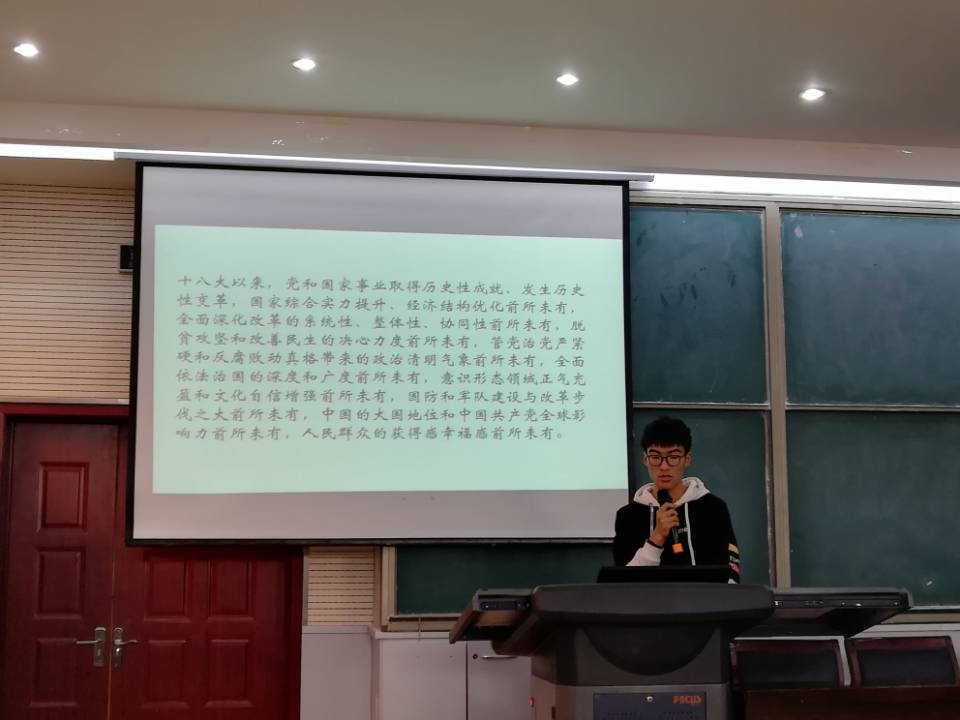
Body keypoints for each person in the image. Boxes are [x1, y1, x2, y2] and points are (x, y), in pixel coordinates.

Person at [613, 416, 741, 582]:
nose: (664, 466)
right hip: (650, 599)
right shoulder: (628, 516)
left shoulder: (713, 508)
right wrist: (657, 536)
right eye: (655, 457)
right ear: (645, 460)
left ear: (687, 459)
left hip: (704, 598)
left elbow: (730, 573)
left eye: (673, 457)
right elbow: (624, 583)